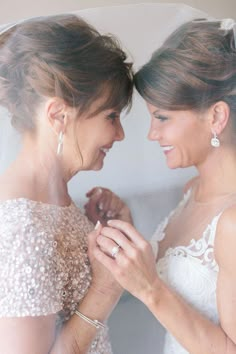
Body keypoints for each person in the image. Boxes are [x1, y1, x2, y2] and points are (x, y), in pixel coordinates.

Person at [87, 18, 236, 353]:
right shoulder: (191, 190)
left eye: (163, 118)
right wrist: (126, 231)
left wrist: (151, 287)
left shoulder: (233, 222)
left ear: (216, 117)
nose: (152, 134)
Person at [0, 14, 133, 354]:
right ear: (59, 116)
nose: (119, 134)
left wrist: (109, 229)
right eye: (111, 116)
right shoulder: (21, 230)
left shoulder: (51, 197)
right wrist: (105, 290)